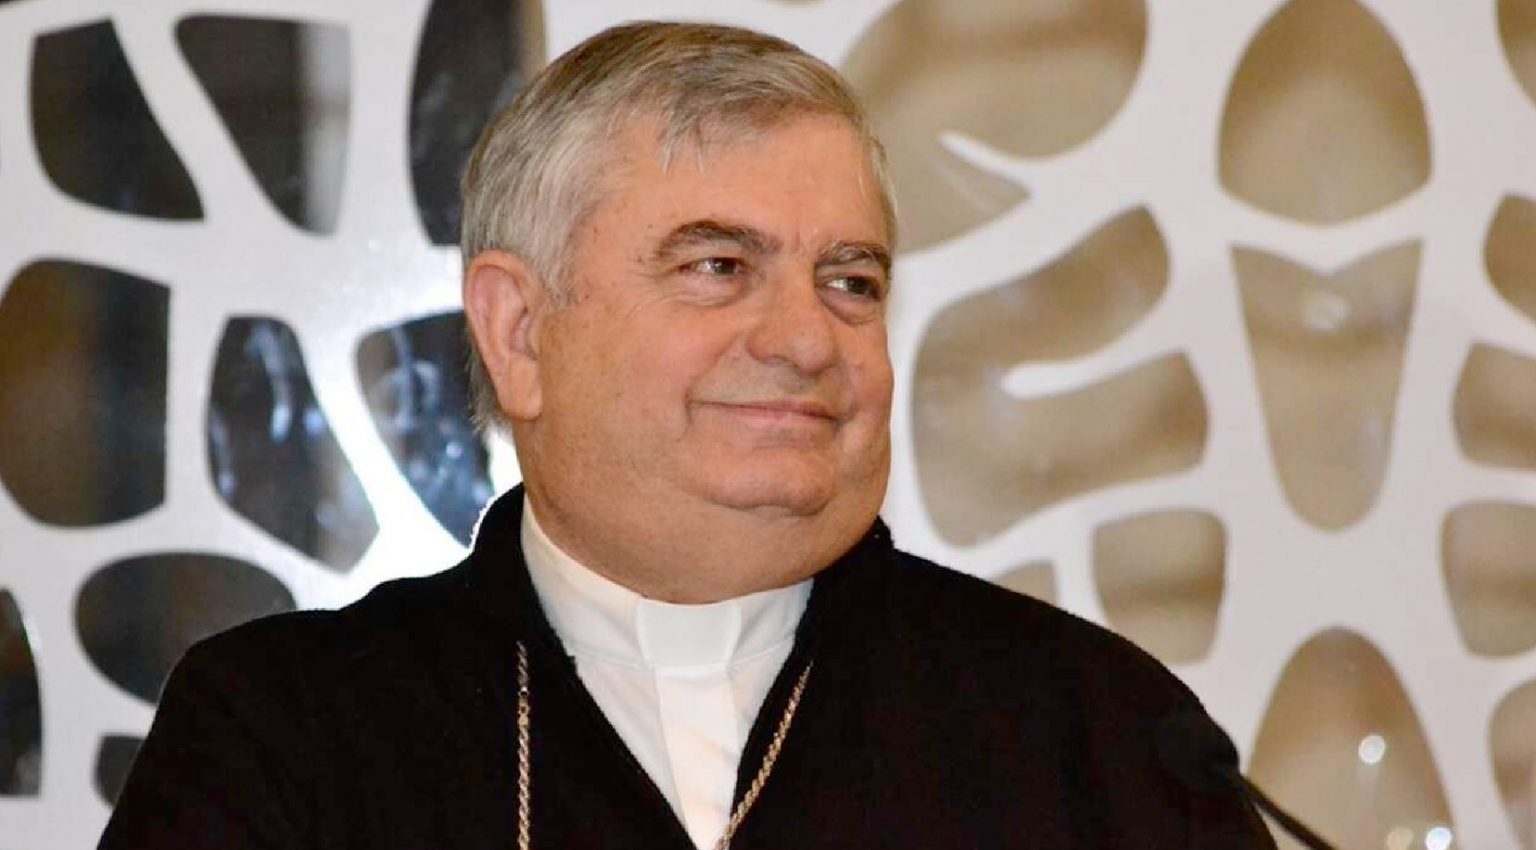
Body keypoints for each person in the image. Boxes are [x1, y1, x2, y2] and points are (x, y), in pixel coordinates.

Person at [100, 21, 1275, 850]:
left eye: (851, 281)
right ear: (520, 332)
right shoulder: (286, 736)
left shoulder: (1097, 734)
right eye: (718, 266)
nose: (808, 339)